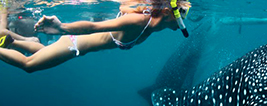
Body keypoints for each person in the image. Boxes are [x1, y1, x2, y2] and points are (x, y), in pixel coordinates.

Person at [0, 0, 191, 73]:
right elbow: (94, 26)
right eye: (183, 14)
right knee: (29, 65)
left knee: (42, 51)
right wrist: (62, 27)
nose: (184, 20)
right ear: (167, 13)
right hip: (73, 44)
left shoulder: (150, 23)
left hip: (76, 47)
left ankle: (20, 41)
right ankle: (4, 12)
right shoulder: (139, 22)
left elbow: (123, 7)